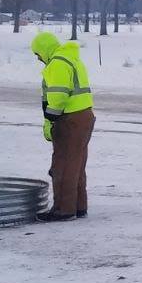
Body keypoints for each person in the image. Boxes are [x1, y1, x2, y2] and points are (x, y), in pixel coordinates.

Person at [31, 30, 94, 222]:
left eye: (38, 54)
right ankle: (78, 206)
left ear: (44, 49)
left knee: (63, 164)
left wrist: (50, 118)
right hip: (84, 116)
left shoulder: (57, 63)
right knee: (76, 163)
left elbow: (58, 94)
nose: (38, 58)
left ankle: (63, 209)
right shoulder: (71, 58)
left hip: (70, 119)